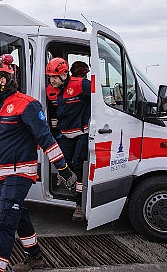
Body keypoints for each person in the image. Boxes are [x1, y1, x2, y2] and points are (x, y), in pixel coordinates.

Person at [0, 55, 77, 272]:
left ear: (3, 80)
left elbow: (46, 138)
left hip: (19, 173)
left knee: (5, 221)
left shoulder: (27, 105)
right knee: (18, 213)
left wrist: (63, 168)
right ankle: (35, 256)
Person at [45, 58, 91, 221]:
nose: (52, 80)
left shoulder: (81, 84)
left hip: (82, 133)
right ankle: (66, 178)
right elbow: (53, 113)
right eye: (50, 77)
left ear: (65, 74)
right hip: (65, 134)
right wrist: (54, 133)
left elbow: (98, 100)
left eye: (55, 77)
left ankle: (79, 205)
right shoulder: (50, 91)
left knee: (78, 164)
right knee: (60, 161)